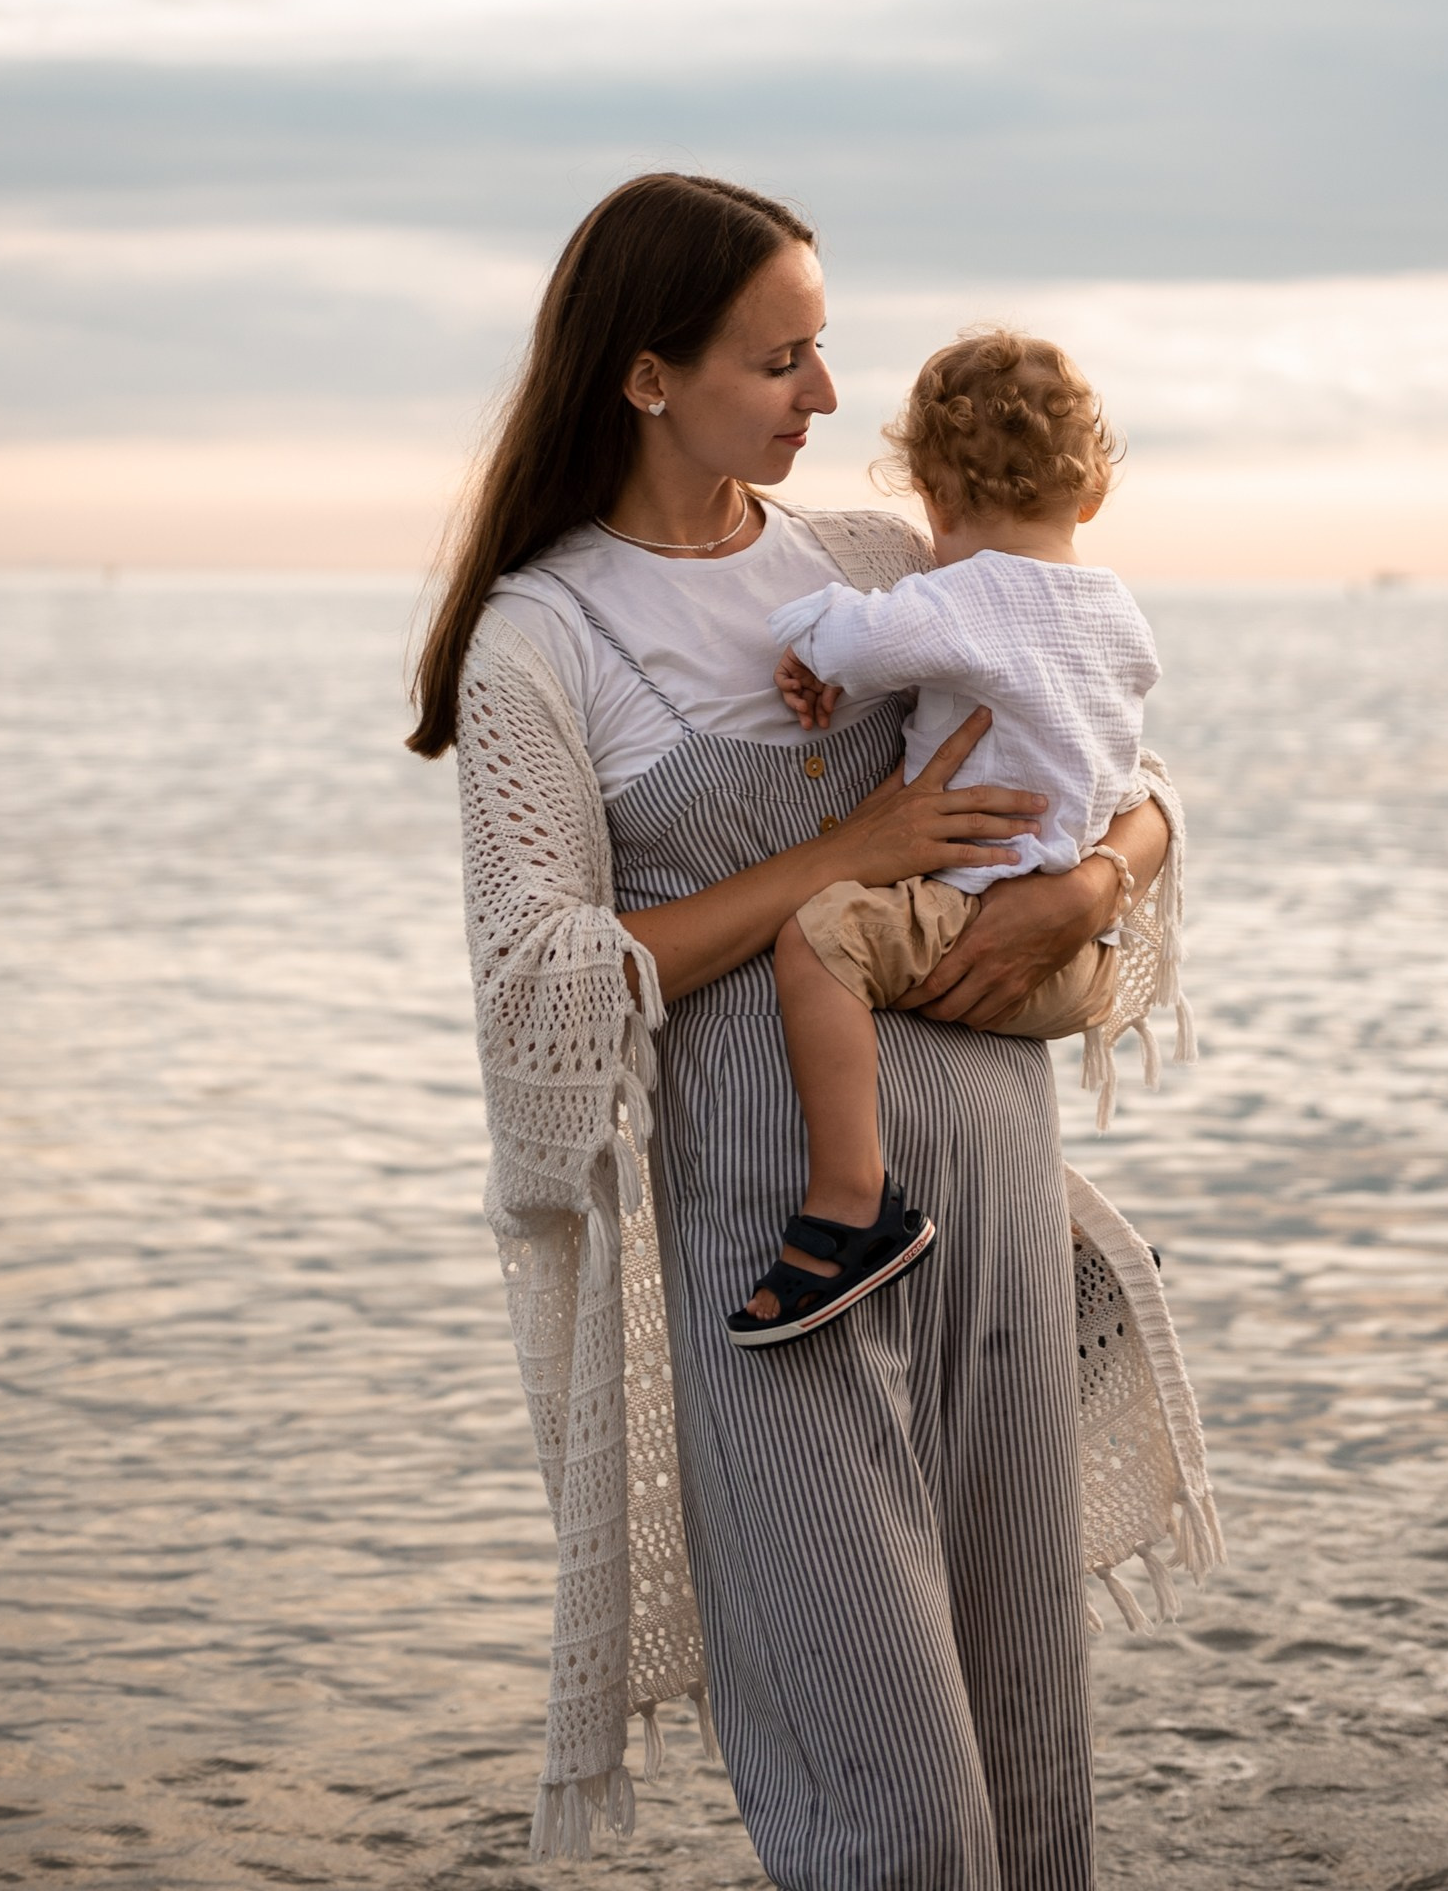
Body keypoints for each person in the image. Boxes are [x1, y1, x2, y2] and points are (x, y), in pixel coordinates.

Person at [409, 172, 1221, 1883]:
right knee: (898, 1823)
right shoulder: (542, 639)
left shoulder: (865, 563)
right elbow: (544, 982)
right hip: (788, 1264)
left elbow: (1120, 765)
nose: (828, 397)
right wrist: (836, 856)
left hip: (996, 1217)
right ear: (647, 375)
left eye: (824, 348)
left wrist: (1092, 885)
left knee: (1030, 1782)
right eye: (783, 358)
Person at [731, 329, 1160, 1345]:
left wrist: (813, 633)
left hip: (966, 919)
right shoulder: (1117, 613)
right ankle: (1061, 1238)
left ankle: (850, 1199)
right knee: (974, 1098)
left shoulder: (957, 600)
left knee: (818, 940)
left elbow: (842, 638)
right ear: (1091, 494)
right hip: (1072, 961)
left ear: (932, 495)